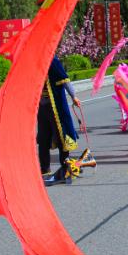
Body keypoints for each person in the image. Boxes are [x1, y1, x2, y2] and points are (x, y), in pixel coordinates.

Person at [38, 56, 81, 185]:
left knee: (62, 137)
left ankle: (65, 168)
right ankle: (45, 169)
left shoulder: (53, 60)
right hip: (41, 107)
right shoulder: (34, 62)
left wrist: (74, 96)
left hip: (56, 107)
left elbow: (65, 81)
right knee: (43, 139)